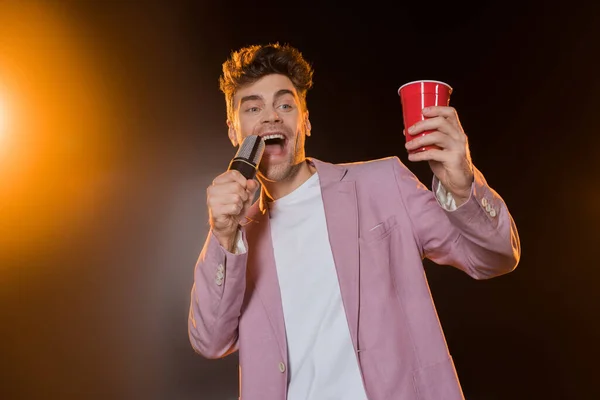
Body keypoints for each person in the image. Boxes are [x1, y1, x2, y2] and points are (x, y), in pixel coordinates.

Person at [188, 43, 520, 400]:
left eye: (285, 104)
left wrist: (462, 182)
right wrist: (223, 235)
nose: (271, 117)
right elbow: (209, 341)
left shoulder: (383, 183)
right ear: (233, 131)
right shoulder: (238, 238)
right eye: (253, 108)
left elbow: (494, 257)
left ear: (306, 120)